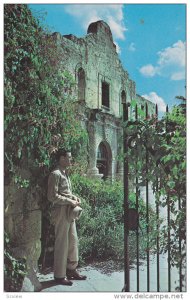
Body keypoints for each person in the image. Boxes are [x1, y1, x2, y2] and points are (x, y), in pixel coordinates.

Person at [47, 149, 87, 286]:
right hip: (60, 212)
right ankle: (59, 276)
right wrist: (70, 201)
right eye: (69, 157)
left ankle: (71, 270)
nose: (71, 160)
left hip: (69, 212)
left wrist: (73, 197)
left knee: (73, 241)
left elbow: (64, 192)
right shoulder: (55, 174)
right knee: (62, 243)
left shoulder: (65, 174)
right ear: (61, 158)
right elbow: (52, 196)